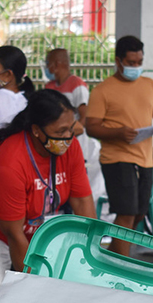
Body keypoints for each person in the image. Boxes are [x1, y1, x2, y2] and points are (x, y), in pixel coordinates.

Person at [0, 90, 95, 303]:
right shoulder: (10, 162)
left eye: (70, 128)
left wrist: (90, 253)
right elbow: (13, 234)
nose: (67, 137)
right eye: (59, 132)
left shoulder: (68, 147)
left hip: (33, 228)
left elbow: (83, 202)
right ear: (36, 130)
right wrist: (29, 284)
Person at [86, 36, 153, 256]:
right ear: (118, 61)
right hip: (117, 159)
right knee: (126, 213)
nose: (135, 67)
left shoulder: (149, 85)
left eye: (139, 62)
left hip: (145, 159)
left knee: (139, 213)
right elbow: (91, 127)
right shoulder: (102, 91)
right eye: (131, 63)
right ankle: (120, 264)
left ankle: (111, 255)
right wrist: (118, 133)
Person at [44, 47, 106, 211]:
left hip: (74, 146)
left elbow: (84, 118)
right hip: (54, 147)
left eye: (48, 63)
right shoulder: (49, 86)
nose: (46, 67)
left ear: (57, 64)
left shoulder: (77, 85)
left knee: (74, 192)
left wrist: (65, 133)